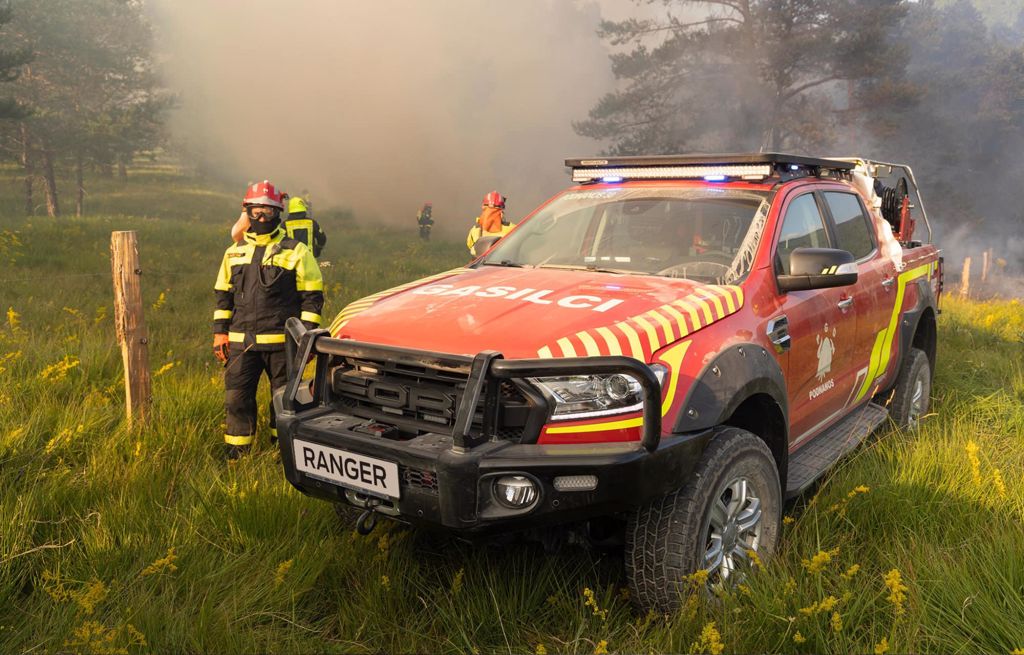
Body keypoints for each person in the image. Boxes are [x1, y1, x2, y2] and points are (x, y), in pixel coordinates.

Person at [213, 180, 325, 460]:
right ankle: (238, 456)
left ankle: (282, 455)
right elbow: (222, 297)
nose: (262, 218)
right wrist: (219, 333)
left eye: (269, 213)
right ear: (246, 212)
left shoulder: (296, 251)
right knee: (236, 400)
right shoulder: (233, 252)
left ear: (279, 213)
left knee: (284, 403)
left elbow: (312, 297)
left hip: (282, 346)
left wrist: (306, 339)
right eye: (256, 212)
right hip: (241, 345)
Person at [466, 191, 515, 256]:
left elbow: (470, 247)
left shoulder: (475, 230)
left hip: (481, 265)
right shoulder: (512, 229)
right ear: (502, 210)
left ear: (483, 208)